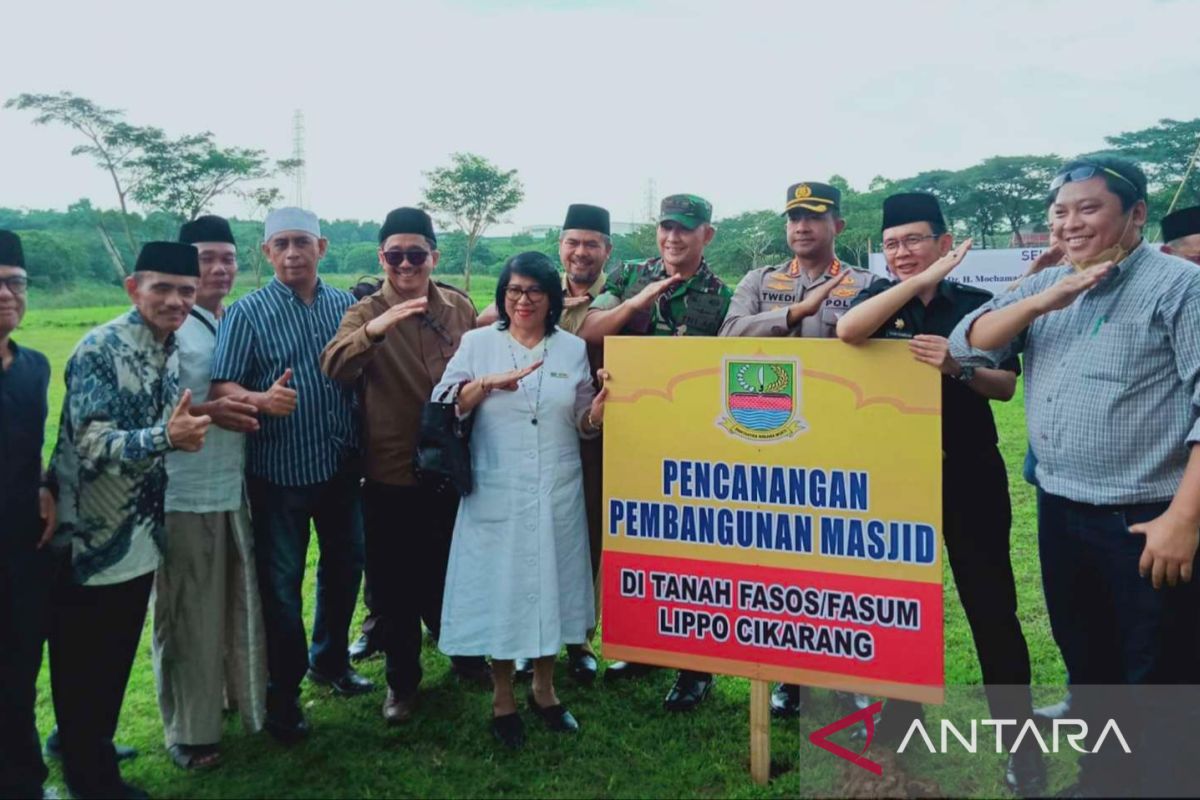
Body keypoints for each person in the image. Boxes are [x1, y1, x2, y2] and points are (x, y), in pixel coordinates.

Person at [950, 156, 1200, 797]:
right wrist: (1047, 295)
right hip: (1062, 514)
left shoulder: (1179, 286)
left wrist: (1182, 520)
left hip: (1147, 522)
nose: (1071, 222)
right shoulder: (1049, 285)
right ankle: (1104, 780)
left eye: (1089, 208)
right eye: (1061, 211)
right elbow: (963, 348)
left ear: (1136, 214)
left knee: (1162, 678)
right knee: (1090, 666)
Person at [837, 192, 1044, 795]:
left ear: (944, 240)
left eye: (916, 241)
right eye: (893, 243)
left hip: (970, 475)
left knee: (992, 611)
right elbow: (849, 332)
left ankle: (1019, 740)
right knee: (898, 606)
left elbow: (1005, 387)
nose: (902, 252)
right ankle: (900, 716)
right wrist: (921, 277)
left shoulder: (979, 305)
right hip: (894, 481)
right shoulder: (875, 302)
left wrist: (957, 366)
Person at [48, 242, 211, 799]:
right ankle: (90, 776)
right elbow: (91, 441)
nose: (175, 300)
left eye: (185, 291)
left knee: (112, 651)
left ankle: (84, 738)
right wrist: (167, 437)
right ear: (133, 288)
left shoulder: (167, 347)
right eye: (162, 288)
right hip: (87, 535)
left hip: (139, 531)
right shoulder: (101, 348)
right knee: (85, 656)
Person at [719, 182, 882, 718]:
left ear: (838, 224)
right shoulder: (760, 281)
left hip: (843, 445)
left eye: (814, 217)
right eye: (794, 217)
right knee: (779, 564)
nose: (801, 227)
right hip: (773, 442)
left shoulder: (866, 283)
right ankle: (789, 676)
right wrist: (793, 314)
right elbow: (729, 334)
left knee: (842, 563)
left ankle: (844, 677)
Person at [210, 207, 371, 745]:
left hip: (338, 464)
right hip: (278, 471)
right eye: (281, 244)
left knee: (346, 564)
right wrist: (260, 399)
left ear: (322, 247)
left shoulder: (343, 305)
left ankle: (331, 661)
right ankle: (284, 693)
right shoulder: (248, 314)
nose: (292, 254)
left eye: (302, 242)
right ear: (266, 252)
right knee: (281, 586)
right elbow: (221, 388)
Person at [321, 207, 488, 725]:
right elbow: (334, 365)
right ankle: (402, 683)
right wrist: (375, 330)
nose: (406, 264)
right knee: (393, 587)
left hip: (450, 467)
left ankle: (464, 654)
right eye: (396, 255)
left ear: (433, 256)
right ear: (382, 258)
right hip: (391, 468)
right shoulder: (365, 309)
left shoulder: (458, 306)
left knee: (451, 573)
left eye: (417, 254)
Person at [433, 252, 607, 749]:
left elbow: (580, 421)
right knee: (502, 587)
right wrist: (486, 385)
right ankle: (503, 695)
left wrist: (595, 414)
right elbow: (445, 404)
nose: (522, 300)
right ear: (502, 296)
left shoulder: (571, 349)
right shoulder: (478, 343)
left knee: (554, 583)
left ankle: (545, 689)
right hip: (497, 488)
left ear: (552, 297)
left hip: (556, 487)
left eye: (533, 291)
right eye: (513, 291)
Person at [581, 194, 732, 712]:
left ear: (706, 235)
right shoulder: (628, 276)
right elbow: (588, 332)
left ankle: (697, 669)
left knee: (694, 554)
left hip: (691, 441)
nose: (674, 238)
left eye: (686, 230)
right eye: (667, 227)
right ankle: (643, 648)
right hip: (628, 436)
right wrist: (635, 305)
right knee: (637, 545)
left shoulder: (721, 294)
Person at [477, 203, 613, 685]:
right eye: (573, 242)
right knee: (520, 544)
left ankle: (578, 637)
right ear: (560, 246)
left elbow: (607, 328)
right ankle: (519, 648)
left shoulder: (621, 294)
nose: (581, 252)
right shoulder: (531, 289)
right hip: (517, 441)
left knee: (580, 541)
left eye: (592, 243)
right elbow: (488, 316)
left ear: (606, 250)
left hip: (590, 434)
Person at [151, 215, 267, 770]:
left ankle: (224, 699)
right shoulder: (170, 325)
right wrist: (211, 411)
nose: (219, 268)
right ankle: (188, 733)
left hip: (230, 487)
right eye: (205, 258)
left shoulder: (228, 321)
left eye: (227, 257)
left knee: (228, 605)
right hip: (182, 492)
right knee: (188, 615)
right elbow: (152, 410)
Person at [0, 231, 57, 800]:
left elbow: (29, 444)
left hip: (21, 544)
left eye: (14, 283)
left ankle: (25, 782)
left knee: (18, 671)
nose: (5, 295)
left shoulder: (34, 367)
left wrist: (43, 482)